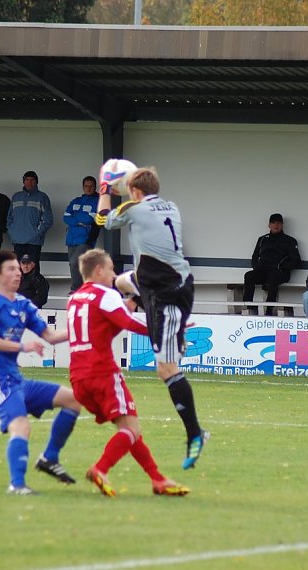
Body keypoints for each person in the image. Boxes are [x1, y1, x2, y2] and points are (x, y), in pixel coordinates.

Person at [97, 165, 208, 470]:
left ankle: (195, 432)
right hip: (168, 281)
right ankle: (141, 305)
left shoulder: (134, 207)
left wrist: (105, 189)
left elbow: (103, 220)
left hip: (164, 292)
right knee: (119, 281)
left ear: (134, 191)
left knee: (166, 369)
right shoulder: (170, 205)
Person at [68, 249, 189, 497]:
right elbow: (128, 324)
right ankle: (100, 469)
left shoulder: (76, 298)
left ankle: (158, 479)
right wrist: (168, 330)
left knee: (130, 430)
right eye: (111, 269)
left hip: (79, 377)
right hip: (102, 373)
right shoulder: (105, 294)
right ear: (99, 270)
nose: (114, 274)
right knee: (131, 431)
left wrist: (132, 302)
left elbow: (105, 328)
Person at [0, 249, 81, 495]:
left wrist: (83, 329)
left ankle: (49, 458)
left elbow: (50, 336)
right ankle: (17, 485)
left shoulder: (23, 305)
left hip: (17, 380)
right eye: (11, 269)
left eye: (18, 269)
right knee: (21, 427)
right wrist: (22, 346)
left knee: (73, 399)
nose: (18, 273)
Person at [242, 213, 301, 315]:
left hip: (280, 273)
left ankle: (269, 310)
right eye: (273, 223)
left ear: (282, 225)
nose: (276, 225)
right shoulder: (263, 239)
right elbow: (254, 257)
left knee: (273, 277)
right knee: (249, 275)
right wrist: (257, 267)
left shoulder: (289, 241)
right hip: (263, 271)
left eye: (278, 223)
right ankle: (248, 306)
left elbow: (296, 261)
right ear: (269, 225)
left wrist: (281, 267)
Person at [7, 170, 53, 264]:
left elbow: (48, 219)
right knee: (19, 270)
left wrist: (36, 233)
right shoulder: (16, 197)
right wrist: (13, 233)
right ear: (23, 181)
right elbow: (9, 218)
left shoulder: (42, 197)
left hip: (34, 242)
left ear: (36, 182)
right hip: (18, 240)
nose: (29, 182)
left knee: (33, 270)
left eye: (32, 180)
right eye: (27, 179)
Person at [63, 175, 100, 292]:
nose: (88, 188)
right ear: (83, 187)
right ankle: (84, 289)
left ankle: (76, 289)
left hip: (86, 238)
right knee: (74, 264)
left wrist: (75, 220)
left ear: (95, 187)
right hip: (71, 238)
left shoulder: (98, 201)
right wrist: (79, 221)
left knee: (75, 263)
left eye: (91, 186)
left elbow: (89, 219)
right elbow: (66, 217)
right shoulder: (76, 201)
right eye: (86, 186)